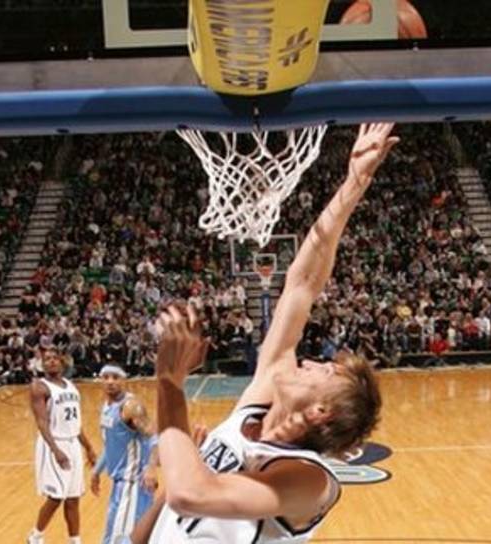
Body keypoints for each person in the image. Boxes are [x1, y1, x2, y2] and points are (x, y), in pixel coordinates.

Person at [146, 123, 394, 543]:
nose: (309, 360)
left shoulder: (309, 481)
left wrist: (170, 383)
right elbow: (302, 284)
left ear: (320, 411)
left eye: (324, 370)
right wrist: (354, 182)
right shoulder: (254, 411)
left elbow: (192, 495)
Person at [27, 349, 96, 544]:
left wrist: (88, 447)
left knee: (73, 498)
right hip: (54, 443)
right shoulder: (39, 387)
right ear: (42, 364)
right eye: (46, 359)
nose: (51, 362)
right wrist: (55, 450)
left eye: (54, 358)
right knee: (56, 497)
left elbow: (76, 423)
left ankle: (75, 540)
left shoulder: (71, 386)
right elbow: (41, 422)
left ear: (62, 362)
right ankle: (35, 536)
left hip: (73, 443)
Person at [91, 365, 159, 544]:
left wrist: (151, 468)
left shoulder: (130, 407)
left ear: (124, 380)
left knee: (122, 539)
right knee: (113, 536)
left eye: (115, 377)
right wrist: (96, 471)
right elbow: (110, 445)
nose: (110, 382)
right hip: (120, 485)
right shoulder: (107, 407)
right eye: (106, 377)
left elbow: (154, 437)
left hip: (133, 484)